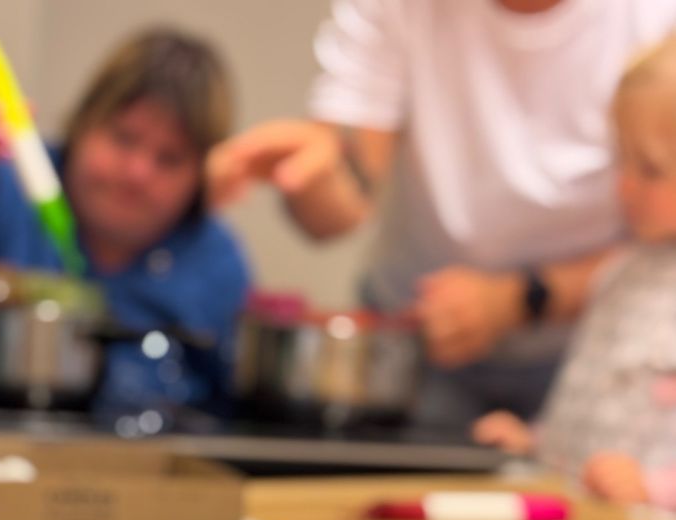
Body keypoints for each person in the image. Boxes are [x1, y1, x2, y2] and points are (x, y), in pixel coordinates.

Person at [208, 0, 676, 430]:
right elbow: (345, 195)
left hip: (587, 354)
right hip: (417, 344)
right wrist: (315, 173)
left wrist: (520, 299)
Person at [0, 29, 251, 414]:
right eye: (124, 138)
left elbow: (232, 399)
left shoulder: (214, 260)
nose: (138, 173)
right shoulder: (3, 185)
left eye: (169, 159)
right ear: (83, 122)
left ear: (199, 175)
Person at [474, 35, 676, 509]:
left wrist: (656, 489)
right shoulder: (620, 272)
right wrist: (536, 443)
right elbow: (596, 400)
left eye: (651, 168)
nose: (625, 183)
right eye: (621, 159)